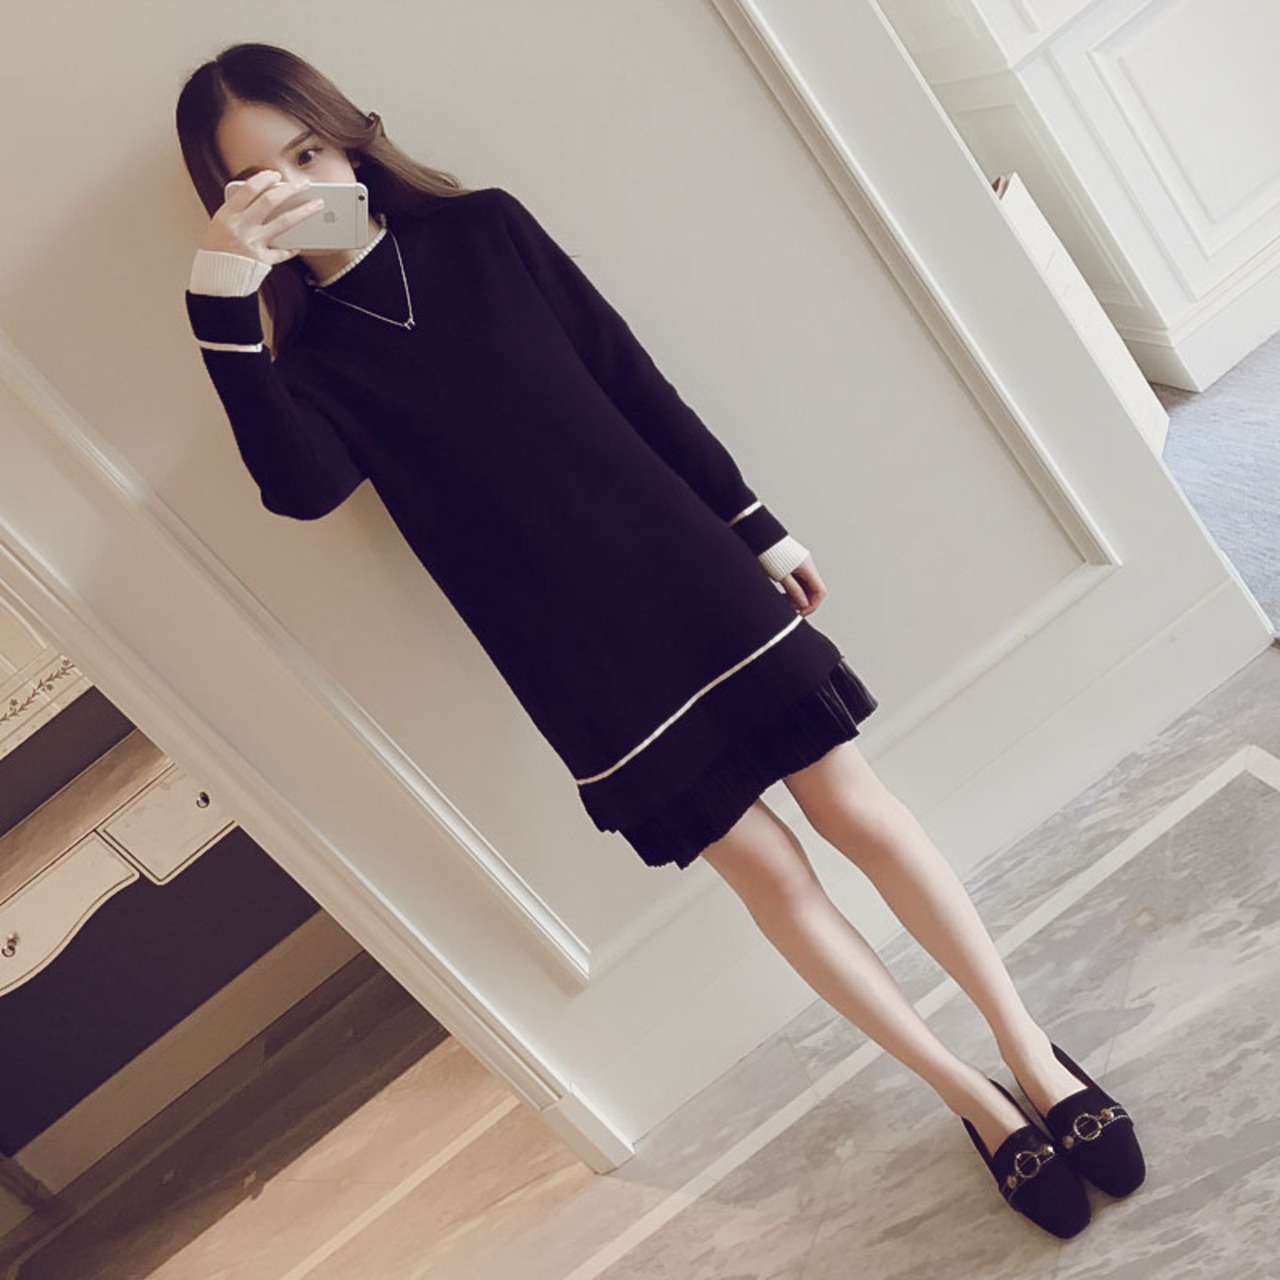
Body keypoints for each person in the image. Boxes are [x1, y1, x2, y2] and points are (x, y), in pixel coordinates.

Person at [175, 42, 1144, 1238]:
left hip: (688, 574)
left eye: (309, 150)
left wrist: (756, 525)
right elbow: (301, 489)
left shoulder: (482, 232)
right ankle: (973, 1098)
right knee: (769, 875)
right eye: (257, 180)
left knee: (853, 809)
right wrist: (220, 304)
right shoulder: (310, 362)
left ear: (351, 141)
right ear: (230, 209)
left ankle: (1030, 1052)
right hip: (570, 655)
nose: (296, 185)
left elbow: (627, 378)